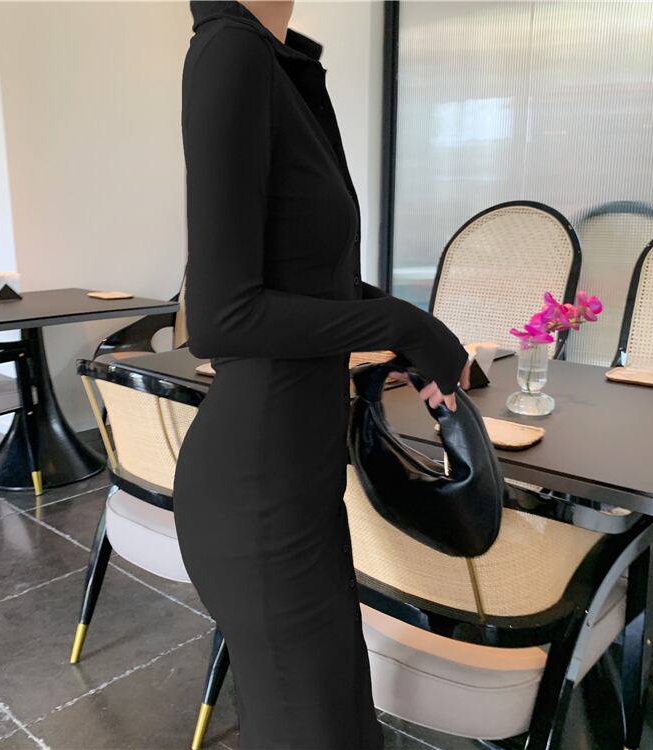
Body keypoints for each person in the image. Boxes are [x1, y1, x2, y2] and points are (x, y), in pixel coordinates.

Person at [172, 2, 472, 748]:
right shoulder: (230, 52)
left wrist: (412, 330)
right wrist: (401, 325)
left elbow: (314, 283)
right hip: (257, 492)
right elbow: (221, 319)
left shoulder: (275, 62)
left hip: (298, 482)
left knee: (333, 724)